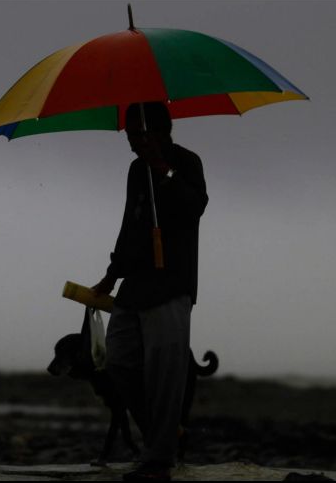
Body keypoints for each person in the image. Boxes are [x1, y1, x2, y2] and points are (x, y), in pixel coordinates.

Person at [92, 102, 208, 481]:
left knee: (165, 375)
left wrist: (164, 170)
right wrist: (111, 276)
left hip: (172, 284)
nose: (132, 145)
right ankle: (165, 433)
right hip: (135, 285)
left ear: (159, 132)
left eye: (137, 136)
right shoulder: (135, 170)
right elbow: (131, 225)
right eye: (129, 138)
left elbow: (195, 208)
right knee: (120, 360)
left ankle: (158, 460)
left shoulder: (187, 162)